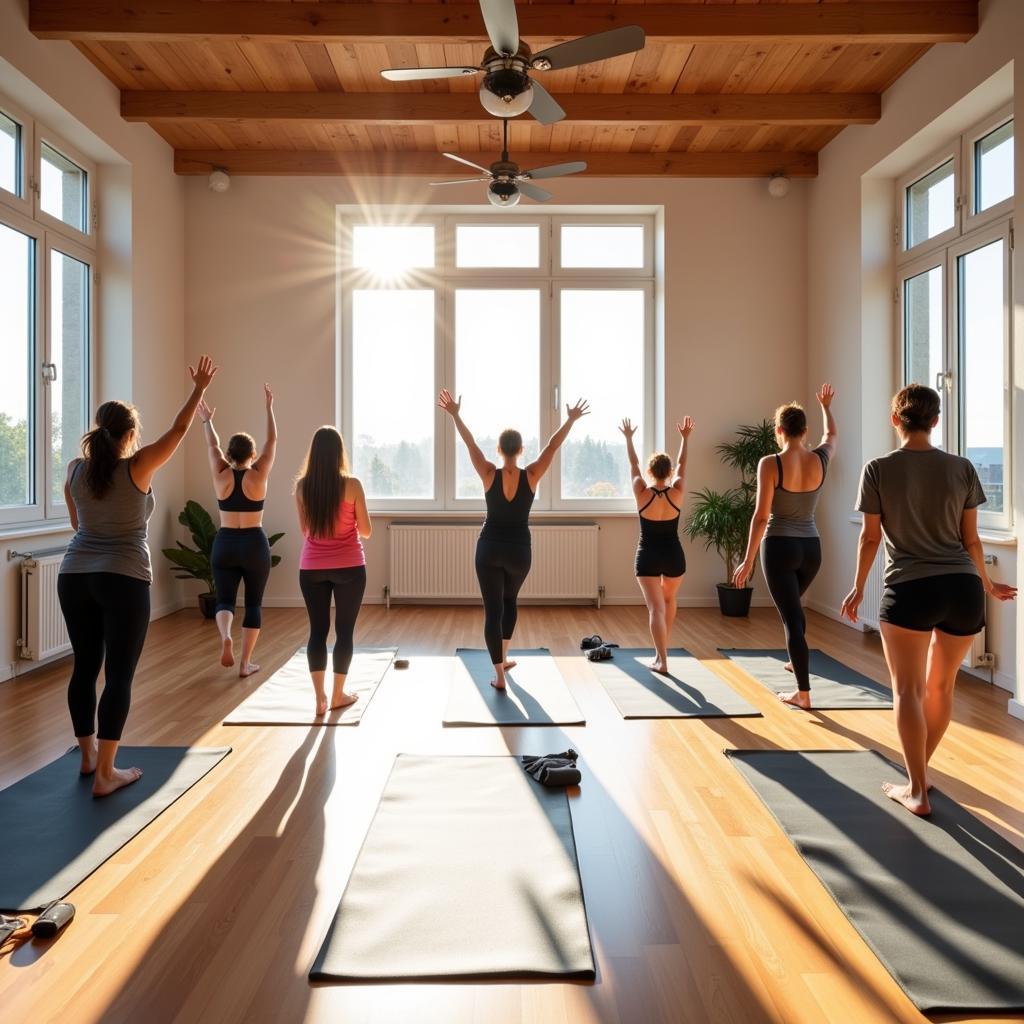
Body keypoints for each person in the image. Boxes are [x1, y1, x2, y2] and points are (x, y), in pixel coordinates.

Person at [841, 384, 1016, 816]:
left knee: (908, 691)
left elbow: (869, 537)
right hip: (962, 589)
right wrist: (988, 585)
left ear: (894, 419)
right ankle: (919, 776)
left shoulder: (878, 468)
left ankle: (916, 790)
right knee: (941, 687)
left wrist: (859, 586)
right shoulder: (962, 468)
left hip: (910, 589)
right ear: (936, 421)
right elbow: (971, 539)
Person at [59, 356, 218, 796]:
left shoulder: (75, 469)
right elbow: (180, 430)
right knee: (120, 675)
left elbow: (78, 526)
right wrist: (199, 389)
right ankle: (107, 774)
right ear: (130, 434)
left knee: (84, 667)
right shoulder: (138, 466)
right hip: (124, 577)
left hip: (74, 575)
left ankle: (88, 756)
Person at [439, 389, 590, 689]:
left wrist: (455, 414)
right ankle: (504, 657)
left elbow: (468, 443)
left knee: (492, 610)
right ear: (521, 449)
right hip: (520, 552)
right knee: (510, 601)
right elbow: (552, 446)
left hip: (489, 548)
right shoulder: (531, 475)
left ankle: (499, 674)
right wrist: (571, 420)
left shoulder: (488, 472)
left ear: (499, 449)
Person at [734, 385, 837, 709]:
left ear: (779, 431)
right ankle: (797, 659)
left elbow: (761, 516)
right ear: (805, 430)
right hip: (812, 550)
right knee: (795, 610)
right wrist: (826, 406)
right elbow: (832, 435)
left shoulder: (770, 463)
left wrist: (747, 560)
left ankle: (802, 693)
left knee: (791, 617)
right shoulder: (820, 458)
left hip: (779, 546)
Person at [198, 384, 277, 678]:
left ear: (230, 454)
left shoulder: (221, 474)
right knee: (253, 603)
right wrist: (269, 407)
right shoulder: (259, 474)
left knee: (225, 600)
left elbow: (211, 446)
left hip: (225, 543)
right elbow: (272, 439)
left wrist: (208, 421)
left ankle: (225, 636)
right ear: (252, 454)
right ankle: (245, 664)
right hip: (254, 543)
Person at [295, 426, 371, 716]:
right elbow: (366, 531)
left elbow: (305, 531)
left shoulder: (302, 487)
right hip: (350, 566)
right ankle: (338, 695)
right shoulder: (352, 485)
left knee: (317, 631)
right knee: (344, 631)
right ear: (340, 452)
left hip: (311, 568)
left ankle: (319, 699)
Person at [619, 416, 694, 673]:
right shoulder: (678, 490)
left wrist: (629, 438)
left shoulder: (641, 491)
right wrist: (685, 438)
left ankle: (661, 658)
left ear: (651, 472)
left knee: (655, 609)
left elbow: (633, 463)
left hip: (648, 556)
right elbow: (683, 463)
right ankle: (662, 651)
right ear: (669, 472)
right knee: (668, 601)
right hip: (674, 555)